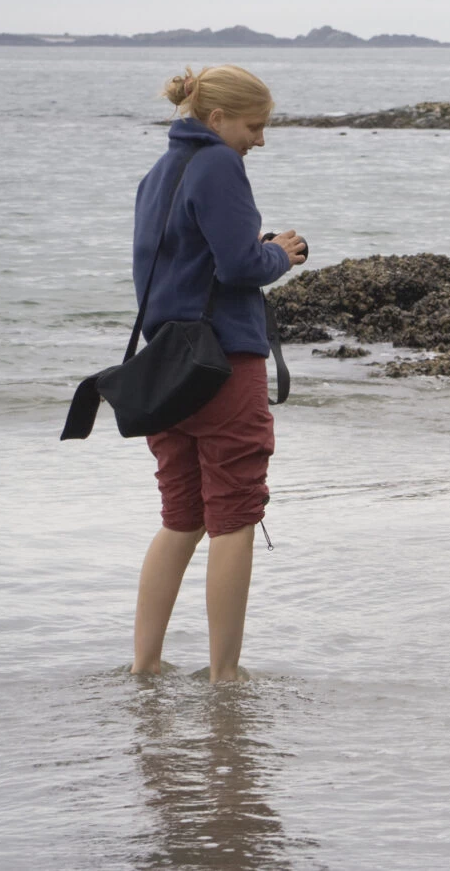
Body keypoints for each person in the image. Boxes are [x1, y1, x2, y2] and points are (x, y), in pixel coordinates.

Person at [129, 65, 307, 682]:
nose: (260, 139)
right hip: (224, 364)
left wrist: (253, 249)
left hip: (166, 368)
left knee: (181, 518)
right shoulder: (219, 165)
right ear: (217, 118)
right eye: (254, 126)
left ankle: (145, 664)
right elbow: (238, 267)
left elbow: (172, 268)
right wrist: (278, 253)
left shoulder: (158, 173)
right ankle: (224, 676)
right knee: (234, 516)